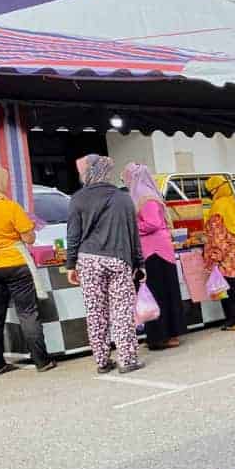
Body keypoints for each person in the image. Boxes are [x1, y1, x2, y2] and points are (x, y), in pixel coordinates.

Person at [0, 164, 54, 375]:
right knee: (27, 312)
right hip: (14, 263)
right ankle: (41, 361)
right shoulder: (9, 206)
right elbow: (29, 237)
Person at [66, 155, 143, 374]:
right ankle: (127, 360)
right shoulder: (123, 198)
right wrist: (140, 262)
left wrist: (71, 264)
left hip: (89, 261)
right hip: (118, 259)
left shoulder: (78, 199)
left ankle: (102, 361)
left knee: (95, 312)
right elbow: (133, 234)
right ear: (106, 172)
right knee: (121, 311)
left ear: (88, 172)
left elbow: (73, 235)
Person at [122, 163, 184, 351]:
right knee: (166, 292)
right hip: (160, 250)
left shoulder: (143, 195)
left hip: (153, 252)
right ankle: (170, 334)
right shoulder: (147, 192)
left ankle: (160, 337)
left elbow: (153, 223)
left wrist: (131, 228)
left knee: (156, 295)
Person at [202, 175, 235, 332]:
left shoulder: (218, 207)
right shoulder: (232, 203)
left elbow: (217, 235)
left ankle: (233, 320)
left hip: (224, 252)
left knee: (227, 287)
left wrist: (215, 256)